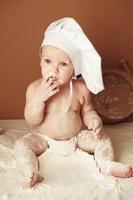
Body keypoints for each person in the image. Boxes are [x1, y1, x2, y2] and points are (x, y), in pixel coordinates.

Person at [14, 17, 133, 187]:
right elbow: (32, 120)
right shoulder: (34, 89)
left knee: (103, 140)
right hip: (44, 138)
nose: (53, 69)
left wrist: (94, 120)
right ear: (40, 61)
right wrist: (39, 99)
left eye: (62, 64)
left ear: (74, 70)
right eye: (48, 61)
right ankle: (30, 171)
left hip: (76, 138)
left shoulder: (80, 89)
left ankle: (107, 165)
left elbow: (88, 111)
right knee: (22, 144)